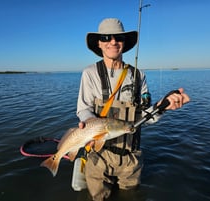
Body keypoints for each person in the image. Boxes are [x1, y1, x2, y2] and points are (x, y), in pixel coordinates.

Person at [76, 18, 190, 201]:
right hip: (98, 157)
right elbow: (83, 109)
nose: (113, 41)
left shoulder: (139, 75)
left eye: (118, 37)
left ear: (124, 42)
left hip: (131, 160)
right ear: (99, 43)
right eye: (106, 37)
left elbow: (146, 116)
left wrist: (164, 106)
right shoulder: (89, 73)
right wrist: (90, 126)